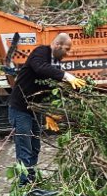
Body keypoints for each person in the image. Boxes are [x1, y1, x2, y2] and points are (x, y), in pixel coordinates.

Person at [7, 33, 86, 185]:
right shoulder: (40, 52)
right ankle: (25, 185)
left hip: (34, 109)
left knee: (35, 147)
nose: (68, 53)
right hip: (20, 109)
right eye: (67, 49)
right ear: (57, 45)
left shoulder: (55, 62)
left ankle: (31, 178)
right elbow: (40, 68)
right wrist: (66, 76)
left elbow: (50, 88)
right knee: (25, 149)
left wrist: (50, 112)